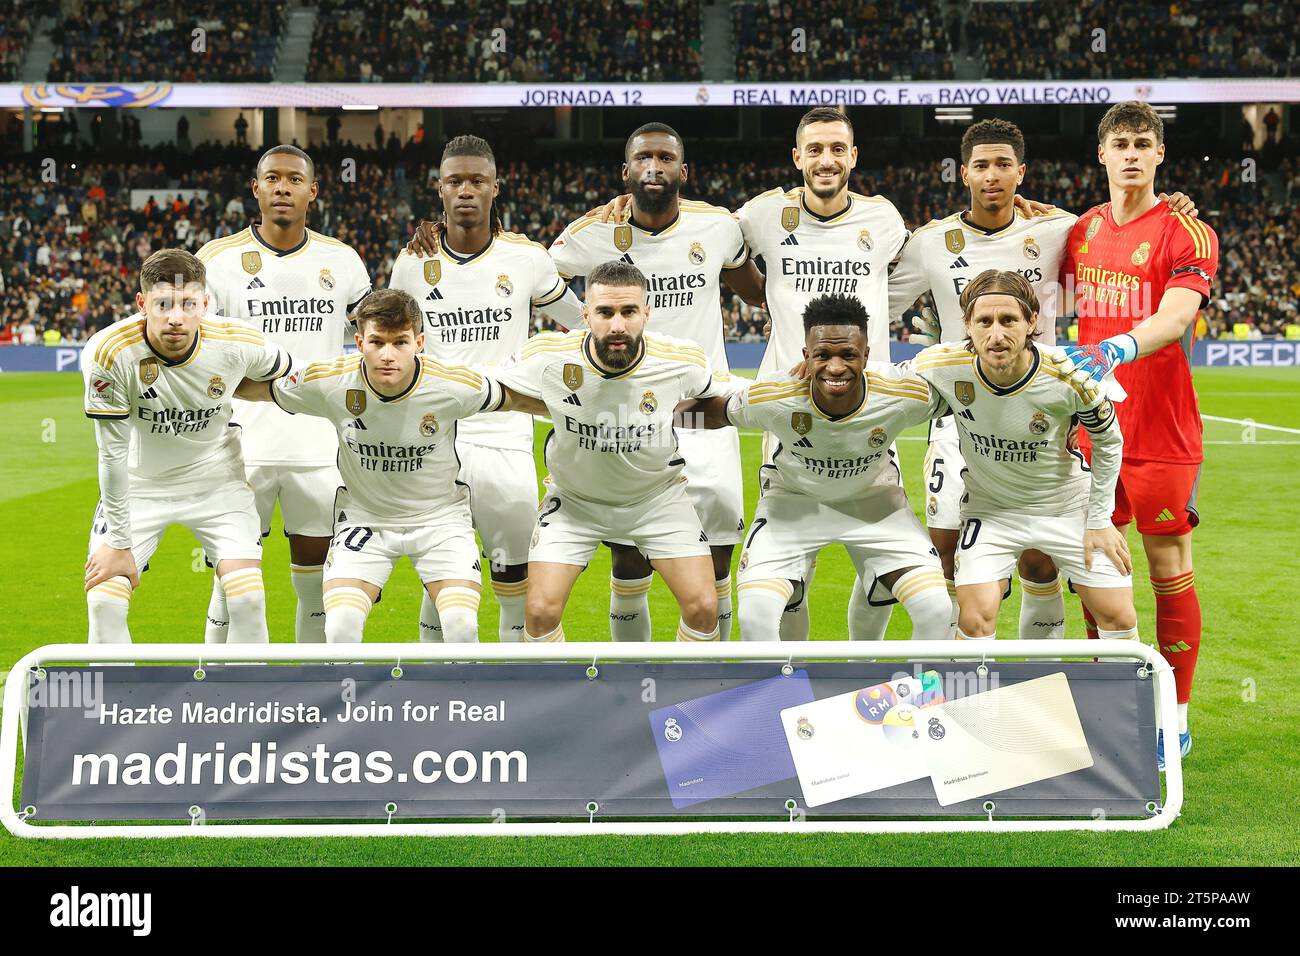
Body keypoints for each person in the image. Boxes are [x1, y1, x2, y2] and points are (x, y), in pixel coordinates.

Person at [543, 123, 765, 642]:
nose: (654, 166)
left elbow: (757, 289)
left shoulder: (718, 228)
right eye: (643, 157)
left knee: (716, 552)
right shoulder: (594, 233)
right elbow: (534, 273)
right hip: (626, 416)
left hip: (701, 412)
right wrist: (585, 322)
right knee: (629, 553)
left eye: (666, 157)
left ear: (683, 171)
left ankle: (715, 676)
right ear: (626, 172)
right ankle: (634, 679)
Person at [1058, 101, 1221, 769]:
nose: (1130, 153)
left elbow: (1178, 314)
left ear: (1159, 155)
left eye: (1142, 143)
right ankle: (1113, 702)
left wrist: (1119, 345)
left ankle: (1173, 718)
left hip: (1161, 432)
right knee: (1096, 572)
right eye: (1118, 143)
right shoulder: (1082, 231)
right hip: (1096, 433)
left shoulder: (1189, 232)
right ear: (1101, 155)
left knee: (1167, 568)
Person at [235, 290, 543, 643]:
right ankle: (351, 698)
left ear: (420, 342)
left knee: (461, 625)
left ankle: (459, 698)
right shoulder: (328, 380)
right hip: (366, 521)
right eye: (376, 342)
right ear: (358, 341)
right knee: (339, 628)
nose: (387, 355)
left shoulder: (455, 385)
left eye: (400, 342)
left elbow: (517, 398)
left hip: (440, 520)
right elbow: (258, 389)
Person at [390, 135, 581, 643]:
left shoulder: (528, 259)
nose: (466, 190)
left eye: (477, 180)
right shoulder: (412, 264)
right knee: (441, 581)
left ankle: (508, 695)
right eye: (455, 181)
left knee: (513, 579)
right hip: (432, 440)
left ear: (496, 186)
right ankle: (441, 701)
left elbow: (583, 323)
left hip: (504, 438)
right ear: (439, 189)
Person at [679, 293, 951, 641]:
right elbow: (715, 412)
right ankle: (779, 696)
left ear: (866, 355)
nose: (835, 367)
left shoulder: (903, 394)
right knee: (756, 614)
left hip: (876, 504)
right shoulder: (775, 396)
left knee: (936, 608)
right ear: (806, 356)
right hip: (792, 505)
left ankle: (906, 688)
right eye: (823, 355)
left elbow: (968, 392)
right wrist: (649, 414)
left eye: (848, 355)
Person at [493, 261, 727, 644]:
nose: (617, 325)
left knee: (703, 608)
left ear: (646, 314)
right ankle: (557, 703)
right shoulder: (546, 355)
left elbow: (720, 399)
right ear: (585, 315)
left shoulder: (680, 358)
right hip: (574, 504)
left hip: (657, 501)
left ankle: (681, 703)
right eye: (605, 312)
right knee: (538, 613)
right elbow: (487, 387)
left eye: (628, 312)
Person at [197, 145, 372, 644]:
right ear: (255, 188)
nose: (282, 187)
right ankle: (214, 683)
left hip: (317, 447)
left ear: (312, 191)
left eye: (294, 179)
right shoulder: (218, 260)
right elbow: (200, 351)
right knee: (231, 580)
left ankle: (311, 689)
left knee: (315, 580)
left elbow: (374, 336)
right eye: (271, 178)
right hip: (239, 447)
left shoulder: (341, 260)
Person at [913, 270, 1137, 647]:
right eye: (984, 321)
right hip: (992, 511)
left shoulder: (1071, 375)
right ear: (967, 324)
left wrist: (1099, 520)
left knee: (1118, 616)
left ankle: (1101, 700)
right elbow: (879, 386)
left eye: (1008, 321)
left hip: (1065, 506)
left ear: (1032, 321)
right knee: (975, 616)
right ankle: (971, 704)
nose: (996, 335)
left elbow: (1109, 441)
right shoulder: (942, 365)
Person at [81, 248, 291, 644]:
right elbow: (110, 453)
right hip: (138, 486)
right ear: (142, 304)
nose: (176, 317)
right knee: (105, 601)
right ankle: (119, 703)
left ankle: (242, 702)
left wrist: (232, 385)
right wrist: (119, 544)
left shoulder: (237, 341)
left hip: (218, 483)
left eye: (188, 304)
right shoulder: (109, 352)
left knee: (248, 598)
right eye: (163, 304)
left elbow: (286, 379)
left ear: (205, 304)